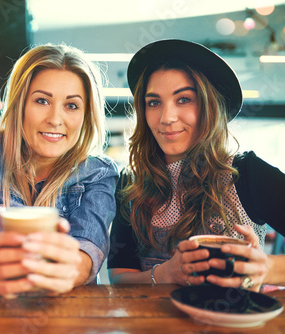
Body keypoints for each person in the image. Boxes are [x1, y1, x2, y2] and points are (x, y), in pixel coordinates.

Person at [0, 44, 118, 297]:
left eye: (71, 105)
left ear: (86, 115)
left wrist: (67, 271)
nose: (55, 119)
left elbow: (88, 252)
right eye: (42, 101)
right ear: (20, 103)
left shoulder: (99, 172)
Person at [108, 39, 285, 292]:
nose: (167, 118)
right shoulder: (131, 183)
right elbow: (119, 276)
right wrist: (166, 272)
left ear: (208, 106)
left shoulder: (246, 173)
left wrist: (267, 267)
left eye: (184, 100)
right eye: (154, 102)